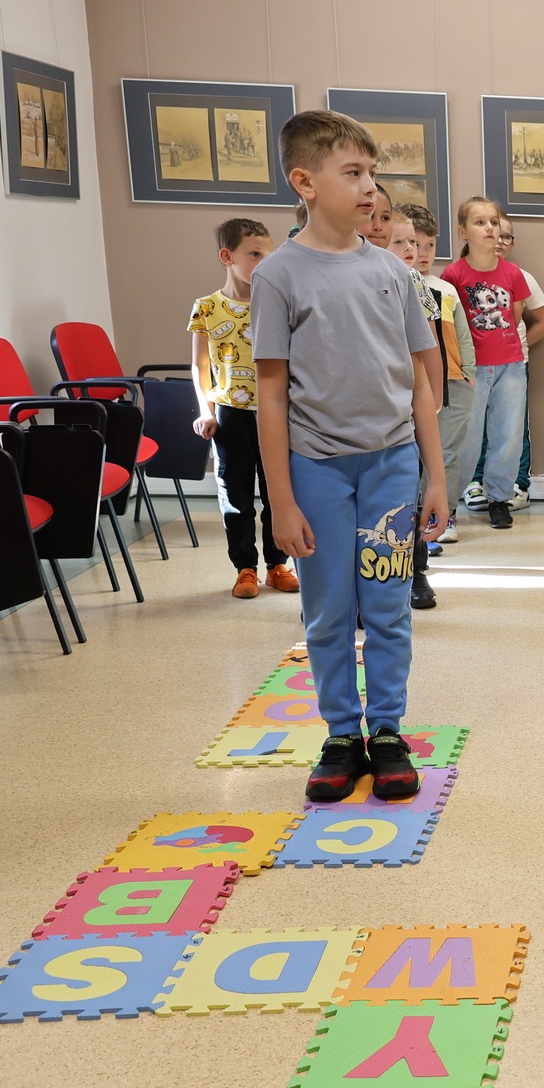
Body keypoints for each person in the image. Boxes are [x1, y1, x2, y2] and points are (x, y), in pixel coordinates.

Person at [249, 110, 448, 803]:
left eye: (373, 173)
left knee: (387, 606)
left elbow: (418, 380)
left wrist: (436, 478)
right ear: (305, 182)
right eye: (354, 173)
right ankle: (341, 735)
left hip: (391, 466)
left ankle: (386, 731)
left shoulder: (392, 272)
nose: (370, 188)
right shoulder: (278, 276)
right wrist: (281, 500)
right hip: (317, 471)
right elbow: (270, 394)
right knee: (330, 609)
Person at [187, 217, 297, 600]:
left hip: (275, 414)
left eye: (269, 255)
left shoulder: (279, 304)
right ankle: (245, 568)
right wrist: (206, 410)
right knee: (235, 496)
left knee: (277, 491)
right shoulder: (206, 308)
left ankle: (277, 564)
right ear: (227, 256)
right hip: (230, 415)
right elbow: (200, 366)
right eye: (254, 254)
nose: (264, 263)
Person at [442, 197, 544, 530]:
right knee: (467, 439)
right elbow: (452, 325)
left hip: (511, 367)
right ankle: (448, 504)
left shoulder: (513, 274)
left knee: (508, 435)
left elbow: (514, 318)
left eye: (493, 222)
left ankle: (499, 499)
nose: (489, 228)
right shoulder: (453, 274)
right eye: (480, 222)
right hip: (472, 370)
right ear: (463, 232)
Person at [401, 203, 476, 547]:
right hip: (413, 385)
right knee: (415, 455)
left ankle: (445, 514)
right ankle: (414, 517)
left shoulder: (445, 289)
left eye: (429, 245)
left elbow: (462, 335)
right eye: (413, 244)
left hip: (453, 383)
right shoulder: (400, 284)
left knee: (447, 452)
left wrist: (469, 373)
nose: (421, 252)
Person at [385, 207, 445, 610]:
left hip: (411, 405)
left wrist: (435, 398)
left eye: (414, 242)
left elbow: (430, 346)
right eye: (400, 242)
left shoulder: (416, 284)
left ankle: (417, 569)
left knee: (414, 491)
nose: (410, 249)